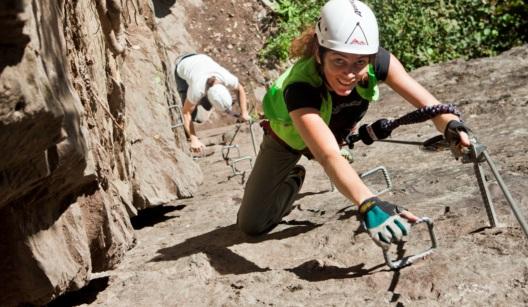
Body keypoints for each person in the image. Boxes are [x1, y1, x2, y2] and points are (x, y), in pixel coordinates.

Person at [237, 0, 471, 250]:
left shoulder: (376, 60)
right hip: (287, 139)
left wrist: (451, 125)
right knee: (252, 224)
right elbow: (328, 156)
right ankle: (292, 179)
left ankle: (296, 173)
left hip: (332, 135)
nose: (350, 73)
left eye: (360, 62)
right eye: (339, 61)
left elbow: (429, 105)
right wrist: (368, 202)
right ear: (319, 53)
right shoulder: (300, 87)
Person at [174, 53, 250, 156]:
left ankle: (200, 105)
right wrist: (194, 139)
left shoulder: (226, 78)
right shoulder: (197, 90)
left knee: (202, 115)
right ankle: (189, 129)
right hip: (182, 64)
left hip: (200, 59)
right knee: (195, 116)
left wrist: (244, 112)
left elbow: (239, 88)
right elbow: (186, 112)